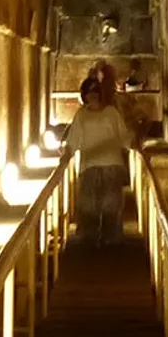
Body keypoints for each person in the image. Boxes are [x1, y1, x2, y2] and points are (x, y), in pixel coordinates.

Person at [65, 72, 134, 245]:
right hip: (90, 166)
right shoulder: (81, 115)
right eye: (90, 93)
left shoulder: (111, 113)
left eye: (95, 92)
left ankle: (111, 239)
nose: (93, 96)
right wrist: (67, 154)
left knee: (111, 204)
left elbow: (123, 135)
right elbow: (74, 139)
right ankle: (89, 240)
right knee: (89, 205)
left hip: (111, 164)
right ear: (85, 96)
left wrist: (134, 145)